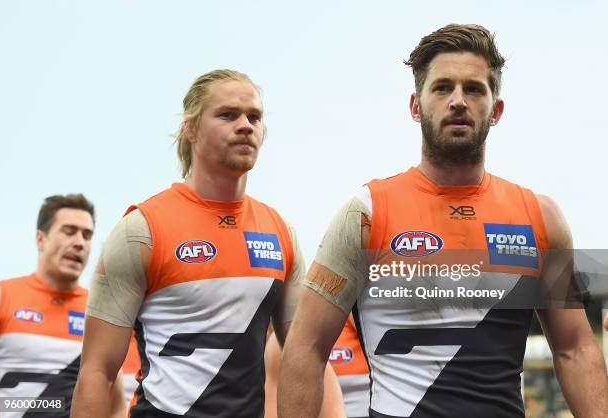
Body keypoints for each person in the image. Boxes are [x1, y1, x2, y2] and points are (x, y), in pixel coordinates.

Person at [278, 24, 608, 418]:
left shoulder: (539, 217)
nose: (457, 101)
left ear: (496, 110)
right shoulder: (366, 214)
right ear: (416, 106)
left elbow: (575, 349)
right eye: (442, 87)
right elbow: (306, 347)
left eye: (473, 89)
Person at [71, 69, 308, 418]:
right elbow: (96, 372)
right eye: (228, 115)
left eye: (254, 117)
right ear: (191, 128)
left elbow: (305, 358)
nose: (245, 125)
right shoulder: (140, 230)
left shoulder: (280, 232)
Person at [0, 194, 126, 418]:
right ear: (40, 239)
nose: (79, 242)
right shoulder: (2, 295)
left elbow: (115, 407)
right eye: (69, 231)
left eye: (87, 235)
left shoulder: (102, 312)